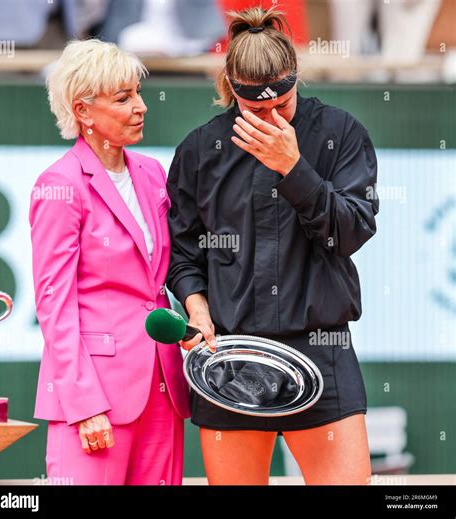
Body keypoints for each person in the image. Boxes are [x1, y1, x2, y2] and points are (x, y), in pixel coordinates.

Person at [166, 7, 379, 485]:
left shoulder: (341, 133)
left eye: (282, 105)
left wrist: (294, 167)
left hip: (322, 349)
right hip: (230, 356)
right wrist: (196, 306)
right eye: (255, 110)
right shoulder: (200, 150)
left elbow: (351, 231)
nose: (270, 118)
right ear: (232, 89)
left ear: (295, 81)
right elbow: (183, 255)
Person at [29, 39, 189, 485]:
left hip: (163, 387)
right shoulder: (58, 185)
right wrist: (84, 404)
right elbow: (54, 304)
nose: (140, 106)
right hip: (94, 398)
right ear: (83, 111)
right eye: (123, 98)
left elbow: (164, 276)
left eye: (137, 93)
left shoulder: (153, 173)